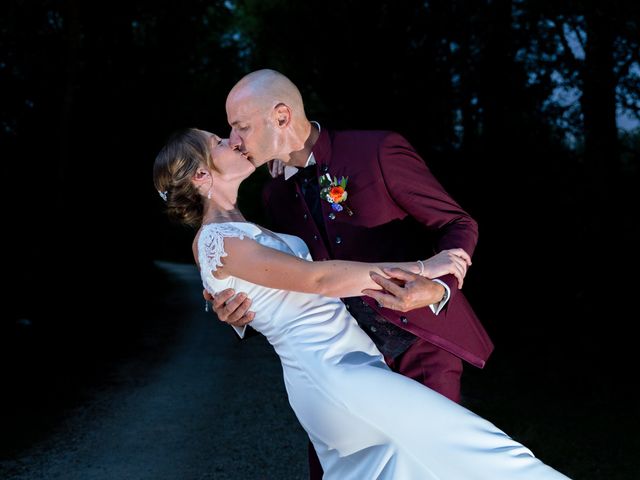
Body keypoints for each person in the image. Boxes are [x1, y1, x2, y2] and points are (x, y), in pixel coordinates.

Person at [152, 128, 570, 479]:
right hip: (335, 373)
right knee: (487, 454)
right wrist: (426, 267)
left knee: (405, 468)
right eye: (222, 140)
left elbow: (268, 287)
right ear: (203, 174)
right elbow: (318, 278)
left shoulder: (242, 224)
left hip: (351, 365)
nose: (235, 139)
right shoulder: (216, 239)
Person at [209, 69, 492, 477]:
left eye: (241, 126)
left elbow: (458, 224)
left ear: (282, 116)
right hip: (343, 362)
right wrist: (242, 314)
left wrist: (436, 286)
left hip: (419, 344)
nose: (234, 140)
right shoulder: (273, 194)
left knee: (435, 464)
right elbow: (296, 280)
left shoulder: (376, 150)